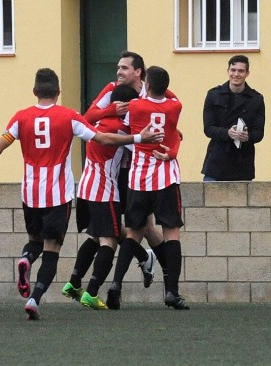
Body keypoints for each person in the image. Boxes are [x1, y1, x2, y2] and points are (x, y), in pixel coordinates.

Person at [0, 68, 164, 320]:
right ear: (58, 92)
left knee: (34, 241)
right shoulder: (69, 116)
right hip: (58, 195)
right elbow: (102, 138)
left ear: (35, 92)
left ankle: (27, 258)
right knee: (52, 249)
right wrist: (139, 137)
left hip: (30, 193)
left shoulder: (21, 118)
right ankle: (34, 299)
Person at [84, 51, 177, 309]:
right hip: (119, 171)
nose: (119, 72)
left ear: (139, 72)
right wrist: (112, 110)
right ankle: (157, 274)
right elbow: (88, 116)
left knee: (144, 227)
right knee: (133, 228)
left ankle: (166, 278)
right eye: (118, 67)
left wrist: (173, 138)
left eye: (124, 68)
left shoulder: (152, 93)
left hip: (140, 169)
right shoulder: (112, 90)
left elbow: (171, 116)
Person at [61, 84, 139, 310]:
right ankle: (92, 293)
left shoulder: (95, 122)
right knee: (110, 241)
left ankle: (74, 283)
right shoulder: (122, 129)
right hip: (104, 189)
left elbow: (89, 116)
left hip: (85, 186)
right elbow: (141, 145)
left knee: (94, 237)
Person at [119, 65, 189, 310]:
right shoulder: (174, 106)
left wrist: (145, 88)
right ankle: (172, 291)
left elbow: (126, 126)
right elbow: (170, 97)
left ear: (147, 84)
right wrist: (158, 86)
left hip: (139, 176)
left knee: (133, 231)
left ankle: (116, 285)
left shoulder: (136, 106)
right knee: (171, 231)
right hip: (165, 177)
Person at [201, 54, 265, 181]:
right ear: (228, 71)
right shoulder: (213, 95)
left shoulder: (257, 99)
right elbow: (208, 129)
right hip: (216, 161)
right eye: (233, 70)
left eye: (241, 71)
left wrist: (248, 136)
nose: (236, 74)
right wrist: (227, 133)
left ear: (247, 73)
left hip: (242, 163)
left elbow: (259, 133)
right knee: (211, 200)